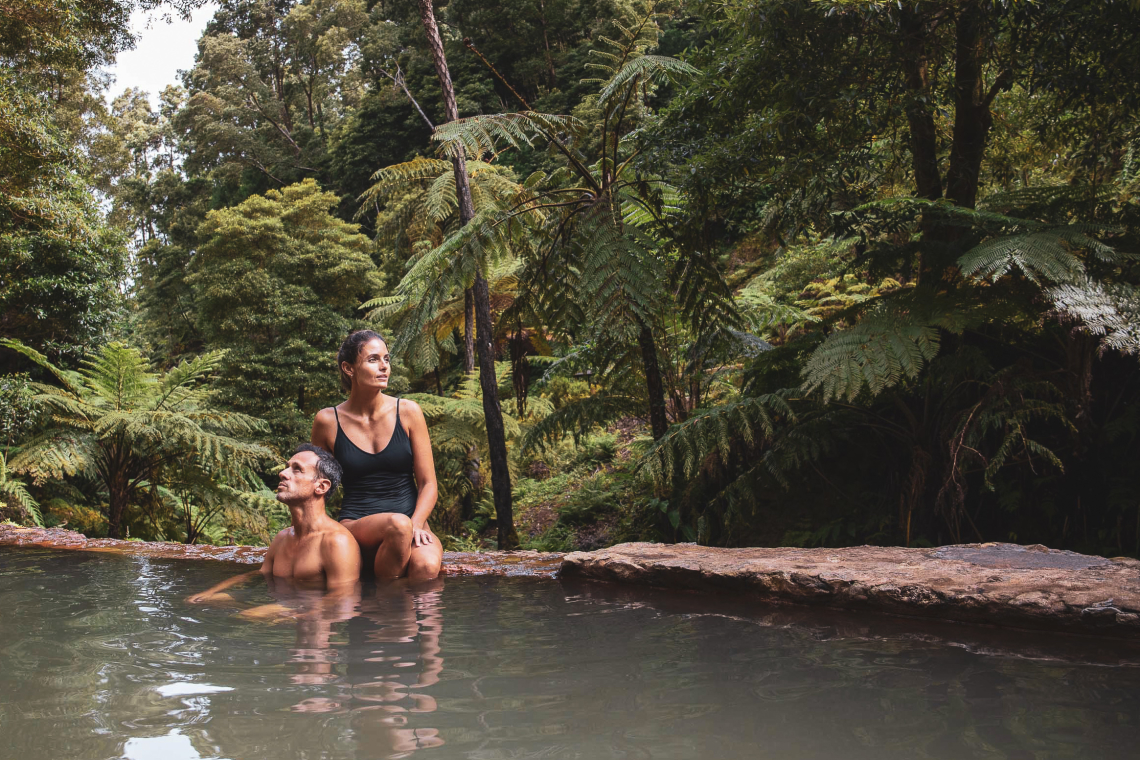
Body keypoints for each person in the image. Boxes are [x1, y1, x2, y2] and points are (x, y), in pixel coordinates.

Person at [311, 329, 443, 580]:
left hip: (411, 521)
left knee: (425, 567)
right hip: (358, 522)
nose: (384, 367)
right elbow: (316, 489)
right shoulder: (328, 421)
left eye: (386, 359)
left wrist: (416, 523)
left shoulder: (408, 412)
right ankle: (385, 610)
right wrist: (321, 535)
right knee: (398, 525)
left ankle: (392, 614)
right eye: (373, 359)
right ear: (349, 369)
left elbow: (428, 484)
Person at [187, 444, 361, 602]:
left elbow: (342, 599)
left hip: (314, 625)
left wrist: (274, 611)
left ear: (321, 487)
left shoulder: (337, 541)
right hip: (291, 619)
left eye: (297, 469)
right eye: (287, 467)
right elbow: (259, 575)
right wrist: (211, 592)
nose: (283, 473)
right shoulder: (282, 538)